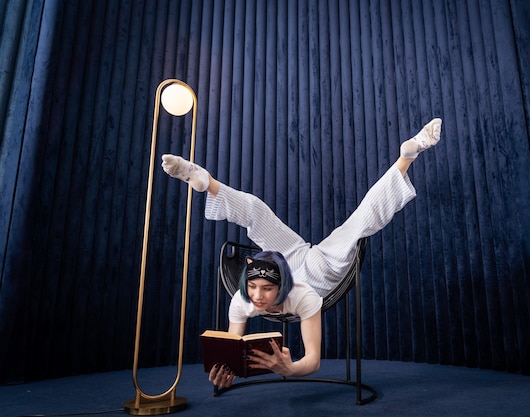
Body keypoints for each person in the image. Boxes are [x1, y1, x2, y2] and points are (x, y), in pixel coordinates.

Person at [161, 118, 442, 389]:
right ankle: (202, 178)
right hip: (288, 255)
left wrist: (291, 369)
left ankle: (408, 155)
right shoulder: (243, 299)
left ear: (280, 288)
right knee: (258, 212)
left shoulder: (303, 296)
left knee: (357, 223)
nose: (257, 297)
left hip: (316, 272)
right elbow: (233, 348)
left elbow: (312, 361)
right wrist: (227, 369)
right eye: (253, 288)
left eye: (266, 289)